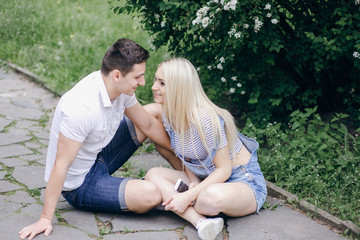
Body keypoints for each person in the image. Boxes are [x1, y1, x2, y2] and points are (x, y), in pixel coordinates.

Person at [18, 39, 181, 240]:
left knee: (154, 112)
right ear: (117, 75)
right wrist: (45, 218)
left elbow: (147, 125)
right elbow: (60, 165)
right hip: (80, 184)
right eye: (138, 77)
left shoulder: (120, 88)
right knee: (151, 194)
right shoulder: (81, 109)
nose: (143, 83)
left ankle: (184, 174)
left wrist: (187, 161)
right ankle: (159, 191)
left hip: (99, 154)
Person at [143, 58, 268, 240]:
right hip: (206, 178)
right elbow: (188, 160)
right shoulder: (171, 115)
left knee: (207, 199)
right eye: (156, 80)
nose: (154, 87)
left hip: (241, 180)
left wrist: (190, 195)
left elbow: (224, 169)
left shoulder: (206, 120)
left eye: (162, 83)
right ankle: (202, 223)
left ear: (180, 87)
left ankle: (191, 203)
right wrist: (194, 183)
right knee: (153, 174)